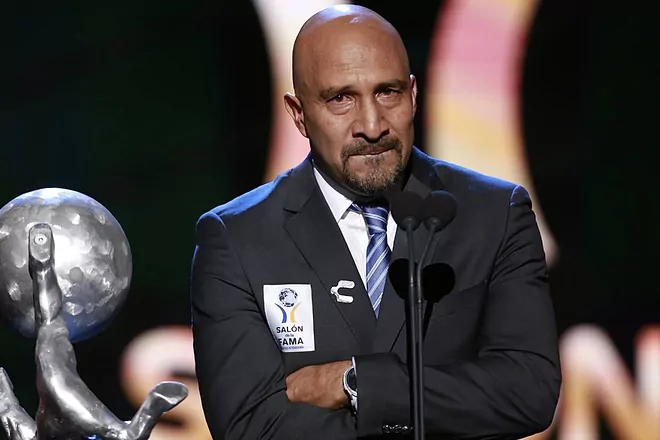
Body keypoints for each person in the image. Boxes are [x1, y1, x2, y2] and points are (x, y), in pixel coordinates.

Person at [191, 5, 560, 439]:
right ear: (298, 113)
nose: (371, 125)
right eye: (340, 99)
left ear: (414, 95)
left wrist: (357, 382)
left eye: (388, 93)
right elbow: (250, 426)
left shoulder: (494, 213)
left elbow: (528, 392)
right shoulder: (236, 238)